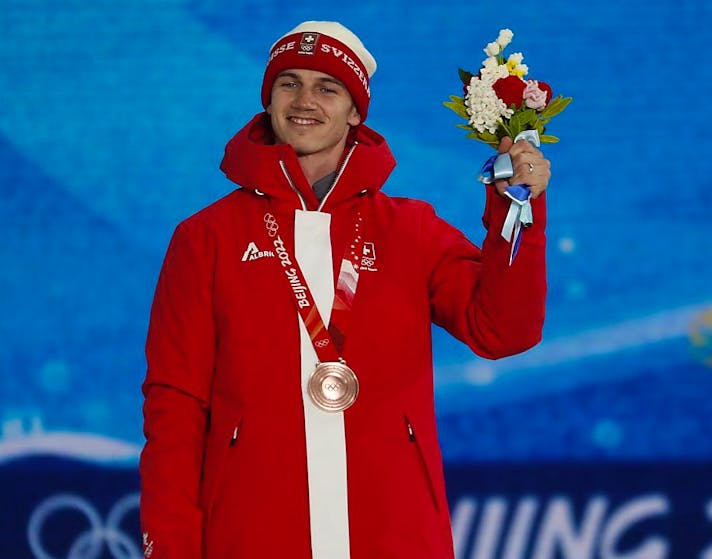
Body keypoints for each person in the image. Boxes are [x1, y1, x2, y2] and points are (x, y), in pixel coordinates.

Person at [138, 20, 550, 559]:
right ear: (268, 100)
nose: (304, 100)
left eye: (327, 87)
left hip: (394, 533)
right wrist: (169, 544)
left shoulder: (410, 230)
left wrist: (517, 207)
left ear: (356, 111)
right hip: (252, 533)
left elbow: (503, 331)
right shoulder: (205, 238)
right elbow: (176, 403)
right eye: (289, 83)